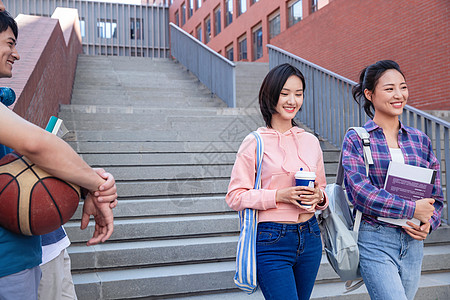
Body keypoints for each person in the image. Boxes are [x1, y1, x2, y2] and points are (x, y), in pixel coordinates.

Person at [0, 8, 117, 300]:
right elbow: (37, 145)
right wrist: (96, 183)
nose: (16, 54)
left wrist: (85, 183)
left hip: (20, 257)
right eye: (10, 43)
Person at [341, 60, 443, 300]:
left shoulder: (420, 139)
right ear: (369, 94)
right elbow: (360, 192)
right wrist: (411, 208)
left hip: (413, 242)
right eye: (389, 89)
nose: (399, 95)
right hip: (375, 238)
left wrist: (430, 222)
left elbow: (435, 194)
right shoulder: (357, 138)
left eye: (403, 87)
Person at [226, 63, 328, 300]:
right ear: (271, 95)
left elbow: (322, 188)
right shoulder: (254, 142)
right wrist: (278, 196)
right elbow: (234, 196)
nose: (292, 100)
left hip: (311, 237)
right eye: (285, 93)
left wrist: (319, 197)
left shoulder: (311, 141)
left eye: (298, 94)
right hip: (272, 240)